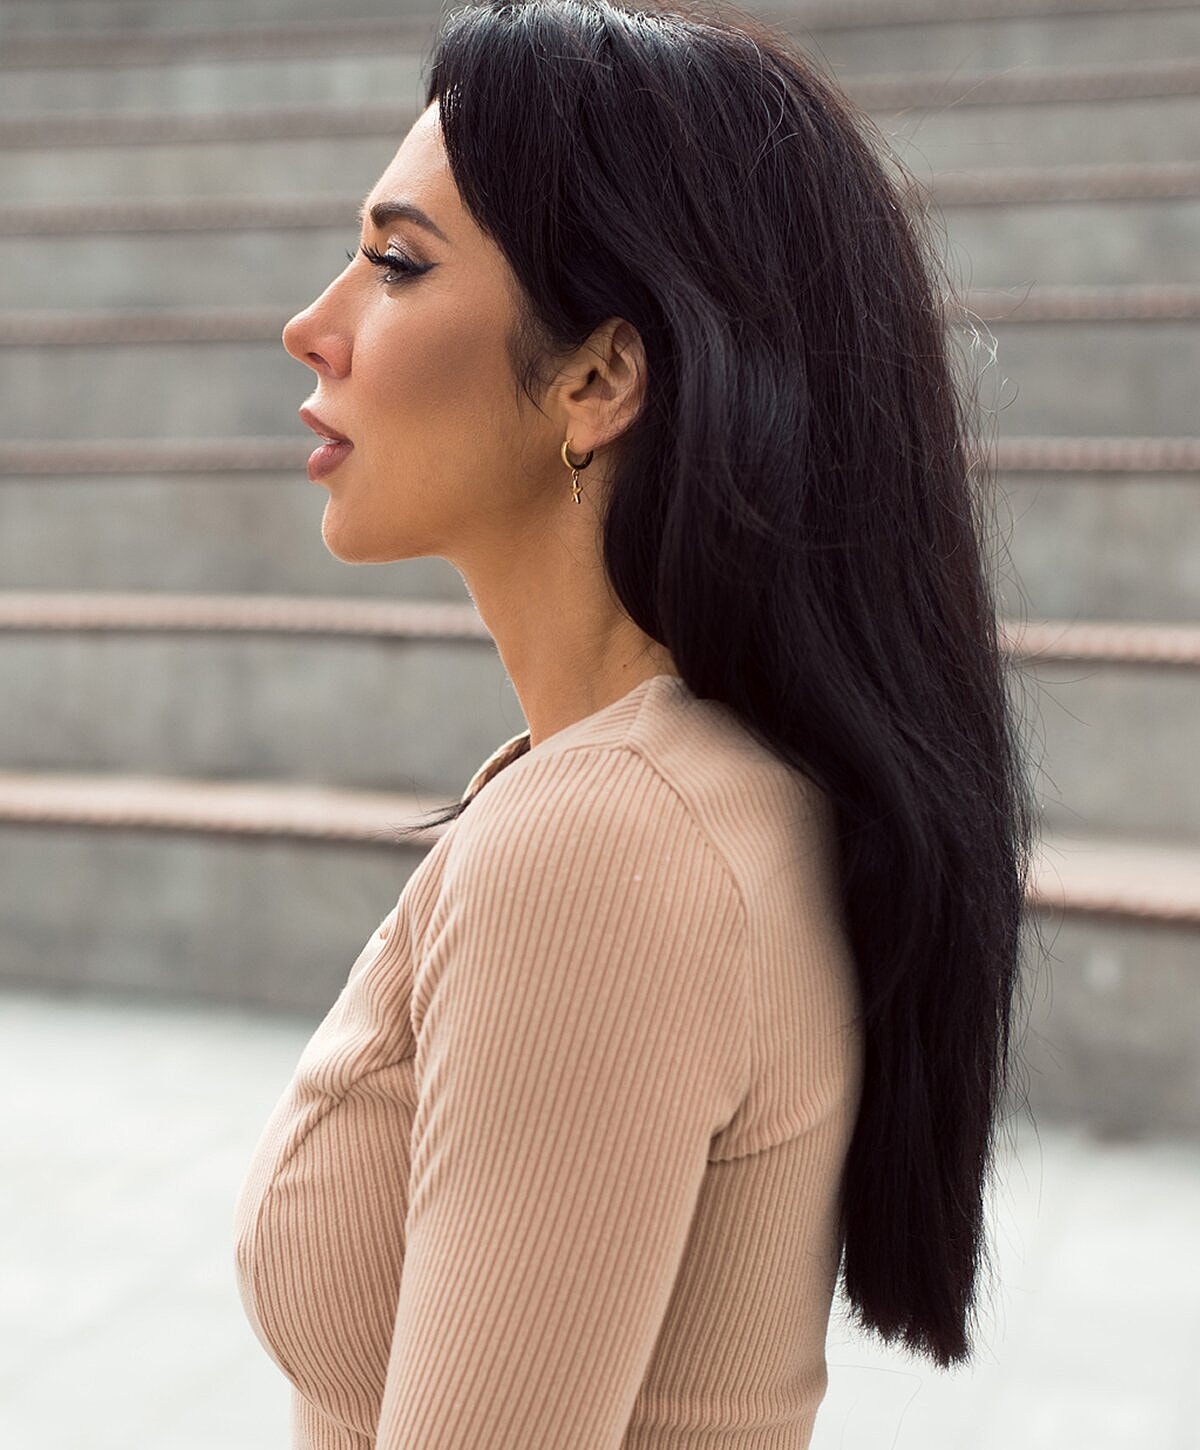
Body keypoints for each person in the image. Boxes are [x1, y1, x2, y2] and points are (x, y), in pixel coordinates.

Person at [233, 1, 1038, 1445]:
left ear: (601, 378)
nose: (314, 325)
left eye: (396, 265)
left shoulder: (603, 847)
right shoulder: (690, 785)